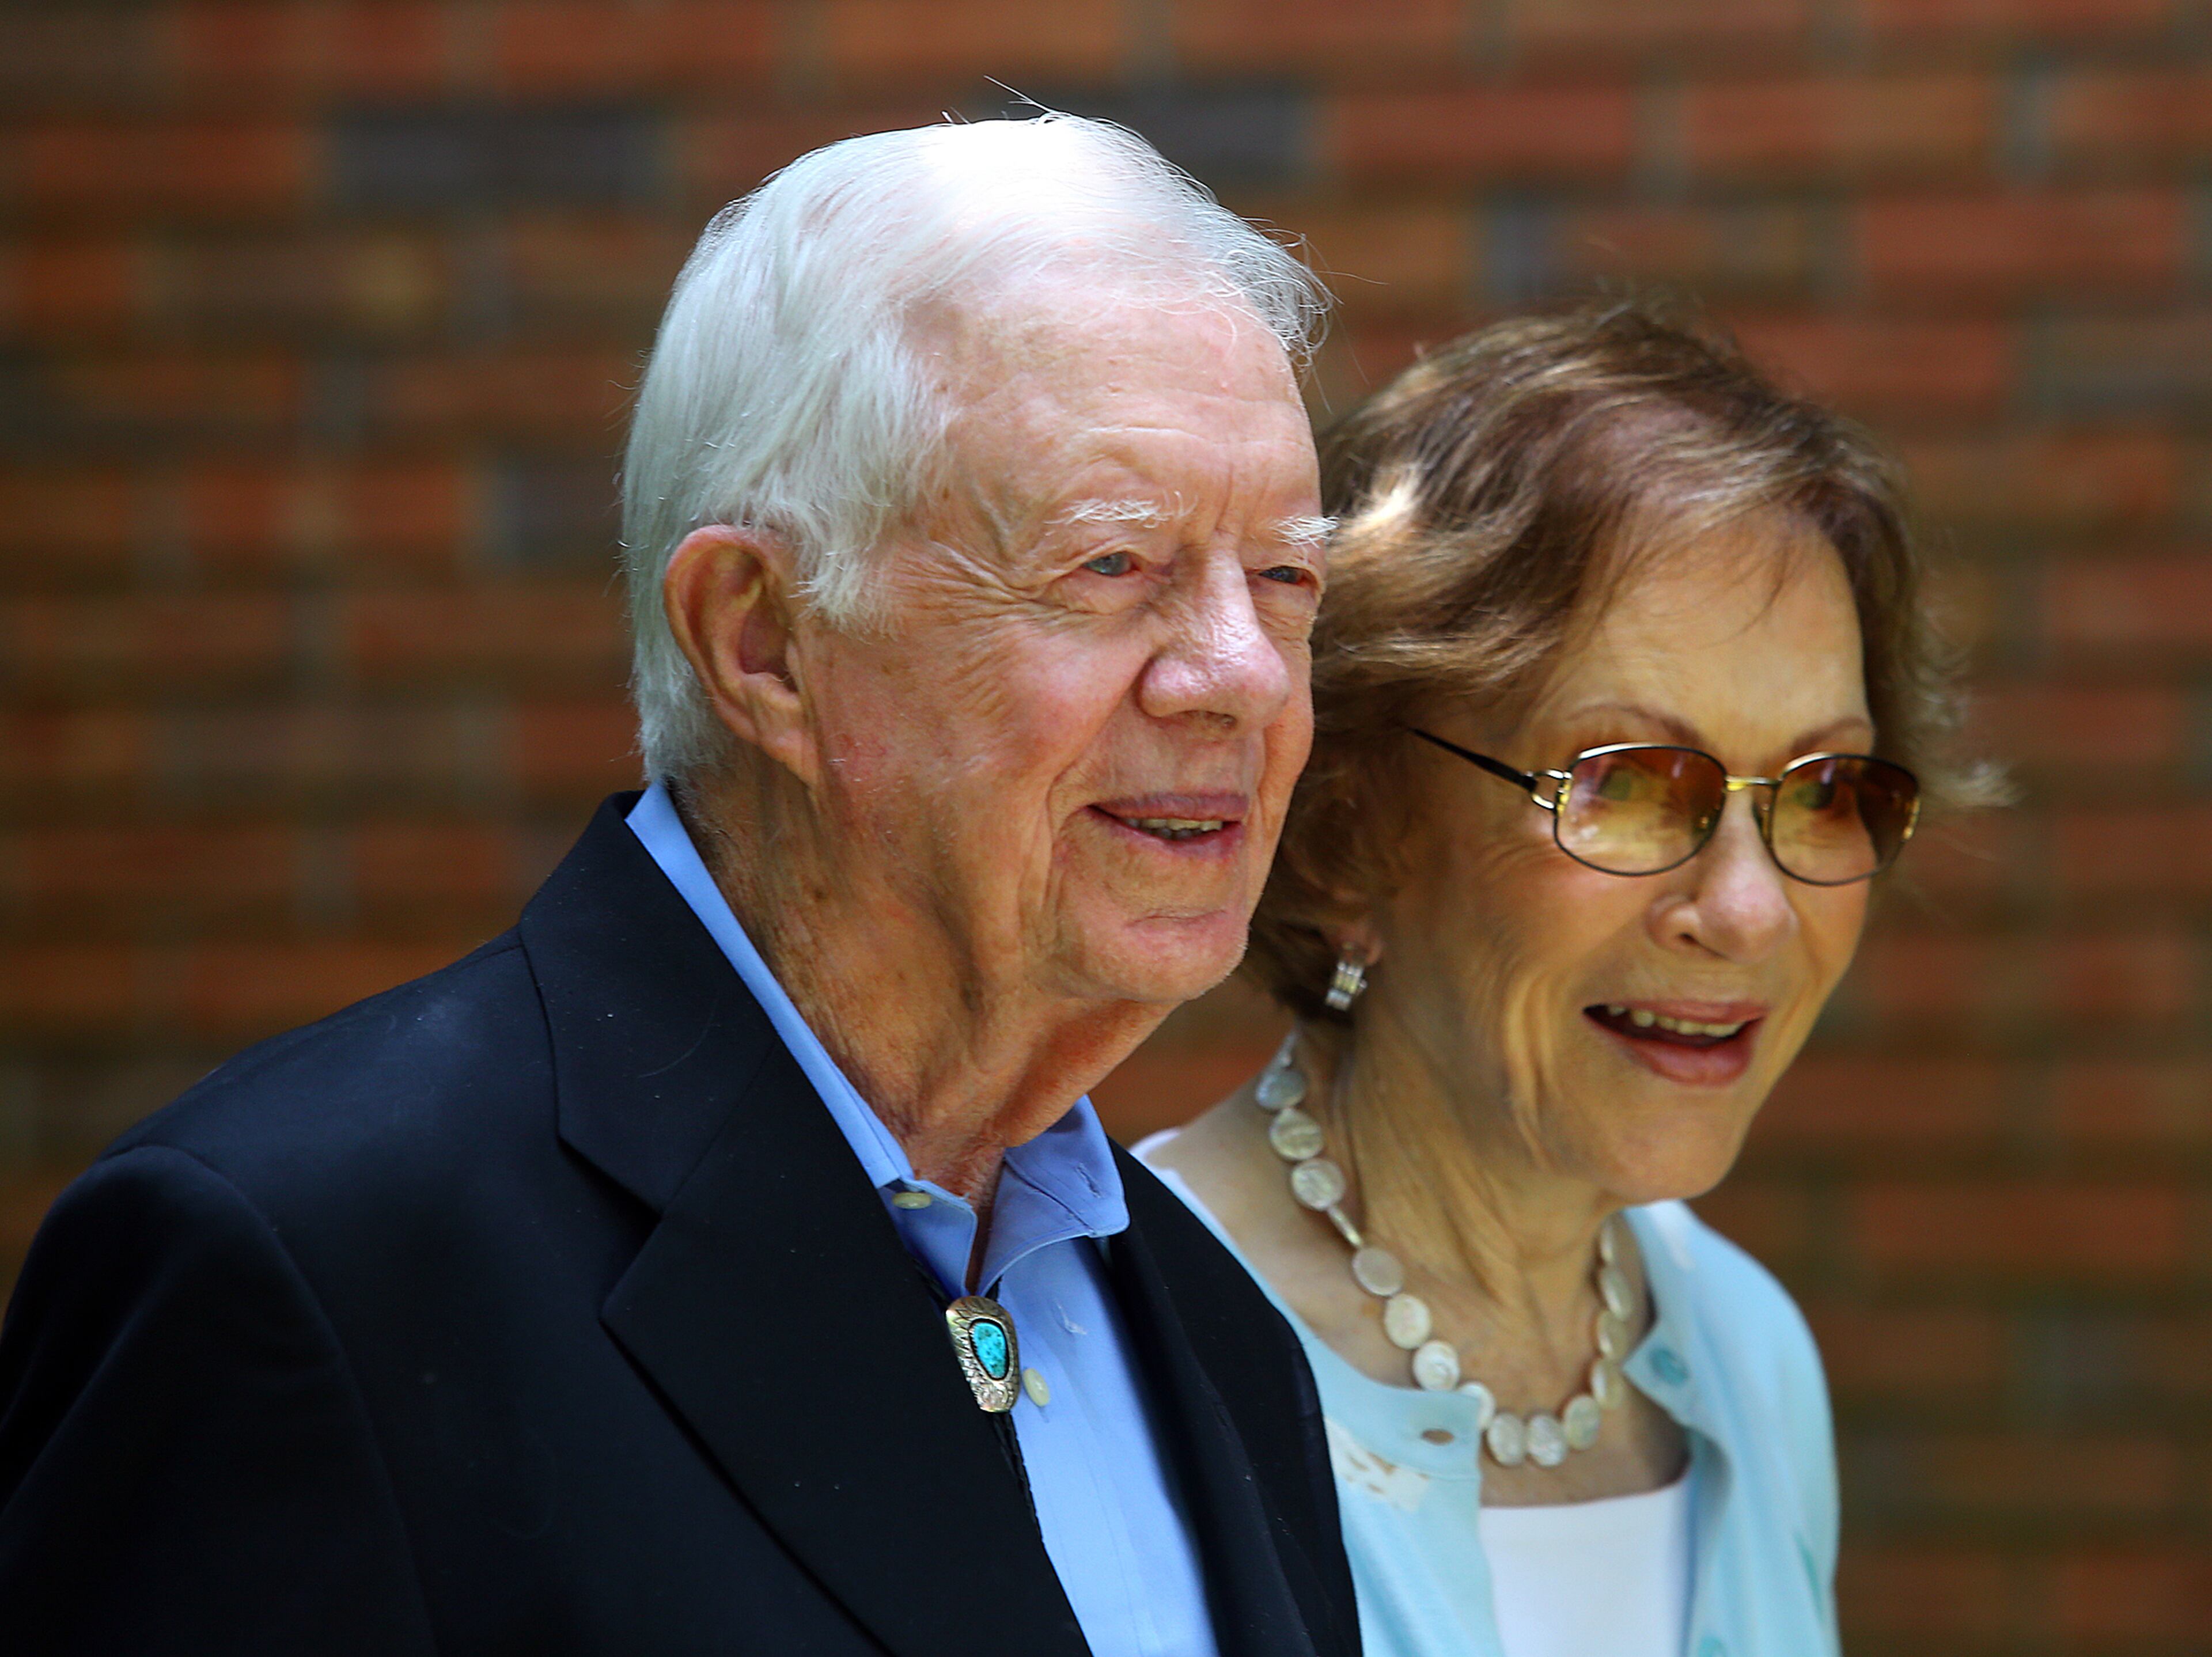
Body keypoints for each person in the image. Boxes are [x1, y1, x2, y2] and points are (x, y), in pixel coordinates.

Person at [0, 115, 1361, 1657]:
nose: (1244, 677)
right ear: (762, 641)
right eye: (1112, 565)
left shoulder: (1223, 1337)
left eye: (1287, 579)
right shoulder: (308, 1271)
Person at [1143, 305, 1992, 1657]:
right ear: (1354, 821)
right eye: (1632, 785)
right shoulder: (1127, 1360)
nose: (1750, 909)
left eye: (1826, 790)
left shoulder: (1744, 1352)